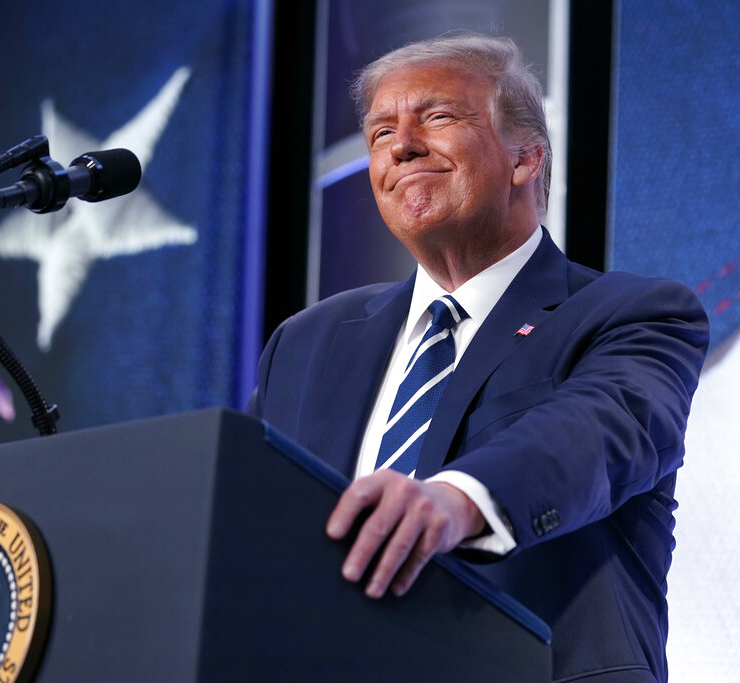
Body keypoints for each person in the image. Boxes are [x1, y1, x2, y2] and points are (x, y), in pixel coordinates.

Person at [247, 33, 708, 682]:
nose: (400, 145)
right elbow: (246, 524)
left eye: (435, 117)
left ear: (525, 158)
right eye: (380, 133)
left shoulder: (632, 314)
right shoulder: (306, 342)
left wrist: (454, 500)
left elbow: (594, 432)